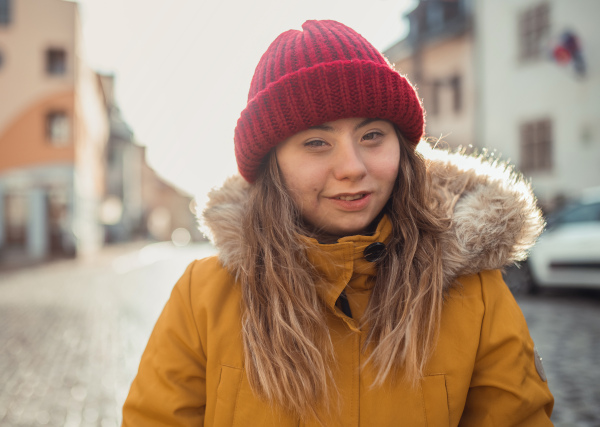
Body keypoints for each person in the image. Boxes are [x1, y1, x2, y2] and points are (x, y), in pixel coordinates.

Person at [122, 20, 554, 426]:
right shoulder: (204, 299)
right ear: (272, 165)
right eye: (316, 142)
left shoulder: (475, 297)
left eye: (372, 136)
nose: (351, 167)